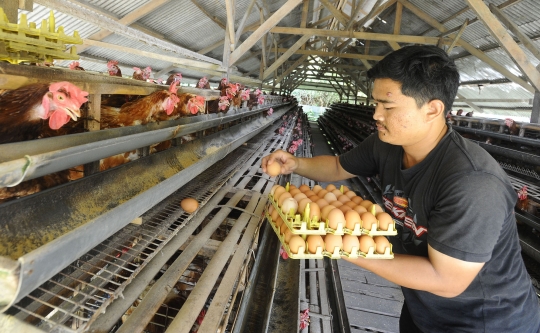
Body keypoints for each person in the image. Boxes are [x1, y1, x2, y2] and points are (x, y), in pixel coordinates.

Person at [261, 45, 540, 333]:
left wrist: (344, 246)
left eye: (388, 106)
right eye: (376, 103)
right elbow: (337, 167)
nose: (376, 115)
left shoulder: (472, 182)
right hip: (423, 311)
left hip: (486, 322)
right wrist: (294, 164)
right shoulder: (388, 144)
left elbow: (447, 280)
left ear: (432, 109)